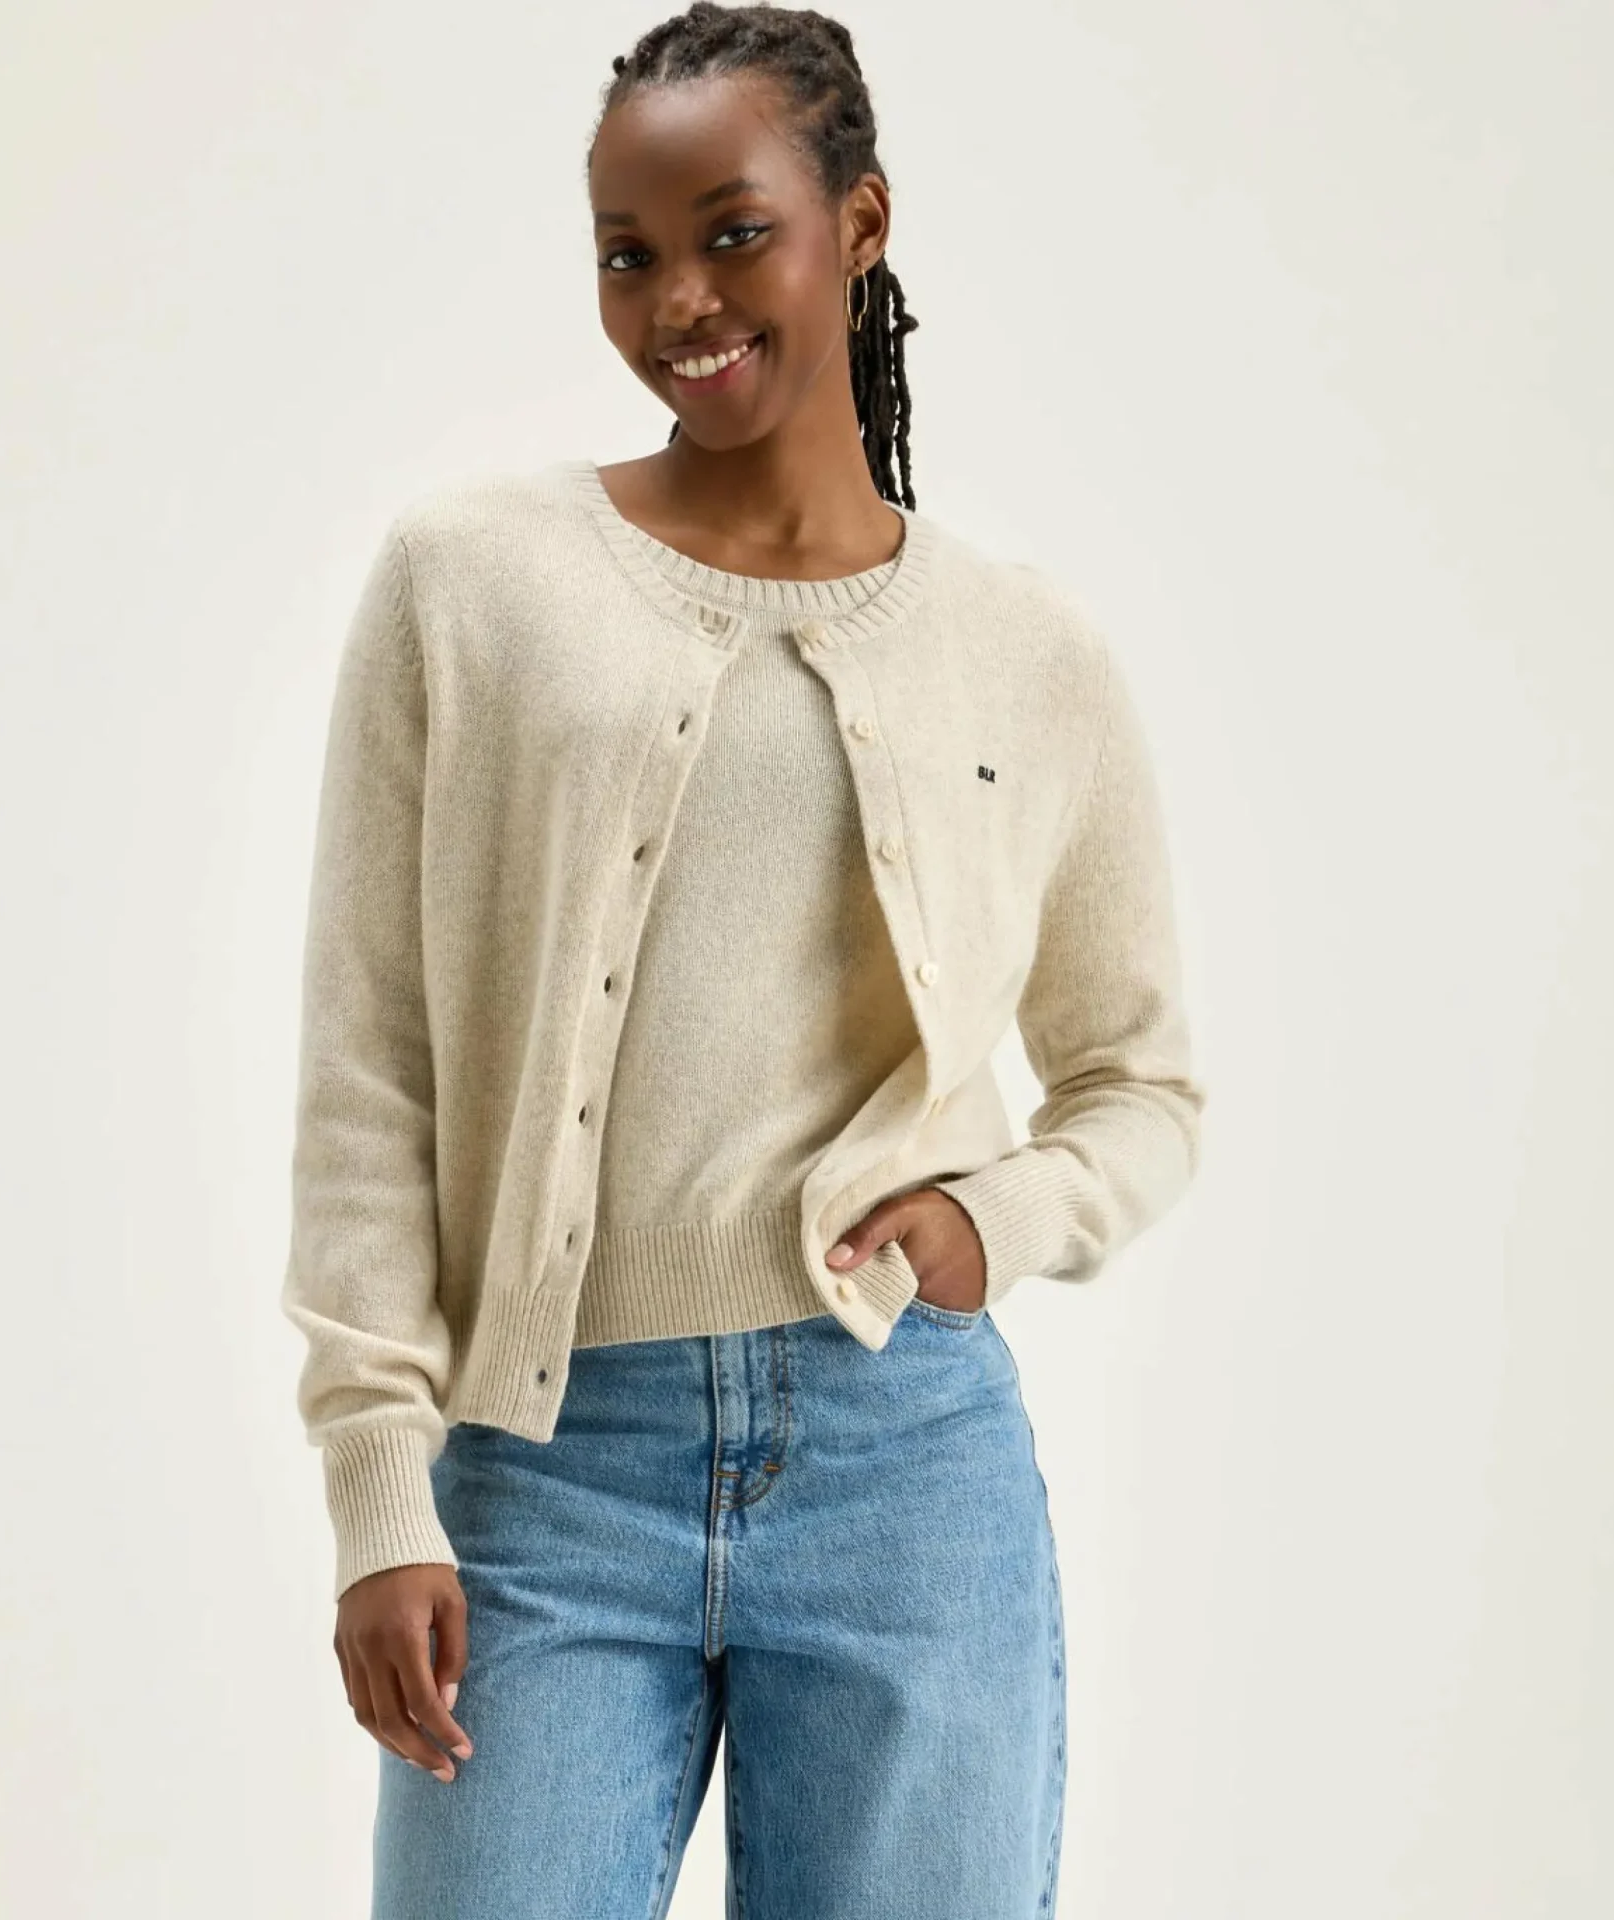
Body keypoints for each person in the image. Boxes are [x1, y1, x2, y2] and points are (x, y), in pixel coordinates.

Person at [283, 6, 1207, 1914]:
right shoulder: (472, 580)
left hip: (904, 1463)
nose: (679, 300)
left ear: (860, 223)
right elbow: (374, 1059)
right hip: (545, 1467)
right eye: (627, 253)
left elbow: (1141, 1085)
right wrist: (378, 1482)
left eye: (732, 233)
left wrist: (997, 1222)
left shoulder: (1027, 653)